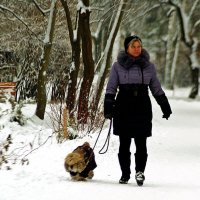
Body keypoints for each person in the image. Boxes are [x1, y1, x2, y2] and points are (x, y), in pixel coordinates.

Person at [104, 35, 172, 186]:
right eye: (133, 47)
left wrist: (165, 106)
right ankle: (125, 174)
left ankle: (140, 172)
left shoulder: (149, 66)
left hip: (142, 106)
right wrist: (108, 106)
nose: (137, 49)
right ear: (127, 48)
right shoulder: (117, 66)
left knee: (141, 143)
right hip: (123, 107)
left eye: (139, 46)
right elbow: (111, 88)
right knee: (124, 143)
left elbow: (156, 88)